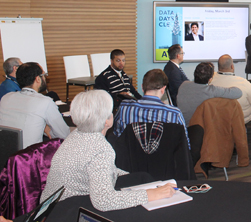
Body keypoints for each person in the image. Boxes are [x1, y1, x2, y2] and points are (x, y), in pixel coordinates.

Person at [40, 90, 176, 212]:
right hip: (68, 209)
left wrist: (143, 186)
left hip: (53, 204)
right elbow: (104, 202)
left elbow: (99, 169)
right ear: (107, 121)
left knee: (142, 178)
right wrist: (151, 194)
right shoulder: (101, 149)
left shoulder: (76, 135)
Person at [212, 54, 251, 151]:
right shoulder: (242, 82)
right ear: (232, 67)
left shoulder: (210, 80)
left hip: (218, 115)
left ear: (218, 67)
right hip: (239, 116)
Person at [0, 62, 70, 148]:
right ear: (38, 79)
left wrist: (43, 127)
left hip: (4, 153)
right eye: (44, 75)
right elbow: (64, 134)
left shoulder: (6, 98)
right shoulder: (45, 102)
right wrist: (47, 130)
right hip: (28, 156)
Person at [114, 69, 189, 146]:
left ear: (142, 87)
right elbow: (185, 144)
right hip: (164, 157)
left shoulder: (125, 108)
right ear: (163, 89)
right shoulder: (174, 114)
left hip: (131, 156)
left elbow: (117, 136)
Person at [177, 62, 242, 124]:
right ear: (210, 79)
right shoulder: (211, 90)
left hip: (182, 125)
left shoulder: (183, 85)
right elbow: (238, 92)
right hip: (200, 128)